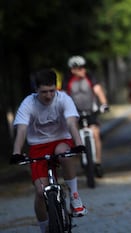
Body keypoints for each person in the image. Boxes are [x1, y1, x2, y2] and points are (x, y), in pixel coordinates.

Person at [10, 69, 88, 233]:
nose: (49, 95)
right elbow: (22, 130)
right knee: (40, 192)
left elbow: (72, 123)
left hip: (61, 140)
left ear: (56, 88)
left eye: (52, 90)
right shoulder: (28, 103)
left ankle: (74, 197)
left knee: (64, 153)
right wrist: (16, 152)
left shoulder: (63, 99)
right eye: (44, 92)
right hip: (38, 146)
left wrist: (79, 144)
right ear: (36, 90)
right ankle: (44, 226)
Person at [64, 55, 109, 177]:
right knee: (74, 137)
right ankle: (82, 159)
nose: (83, 70)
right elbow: (63, 96)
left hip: (90, 111)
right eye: (79, 68)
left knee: (95, 133)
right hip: (75, 114)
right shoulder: (68, 80)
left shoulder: (90, 77)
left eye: (83, 67)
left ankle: (98, 162)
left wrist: (104, 104)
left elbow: (98, 90)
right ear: (73, 69)